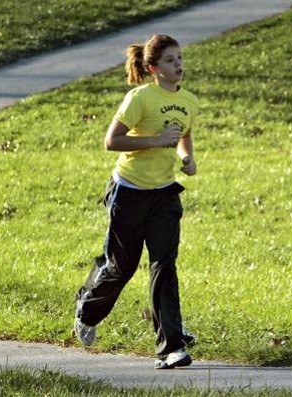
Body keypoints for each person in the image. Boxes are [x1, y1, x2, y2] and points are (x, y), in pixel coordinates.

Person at [73, 34, 199, 370]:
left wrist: (187, 158)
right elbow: (111, 141)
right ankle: (87, 308)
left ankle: (171, 345)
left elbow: (184, 136)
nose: (179, 65)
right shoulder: (139, 98)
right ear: (153, 67)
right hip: (128, 192)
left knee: (164, 265)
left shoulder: (189, 100)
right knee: (122, 267)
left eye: (180, 57)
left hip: (164, 194)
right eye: (171, 60)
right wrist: (156, 140)